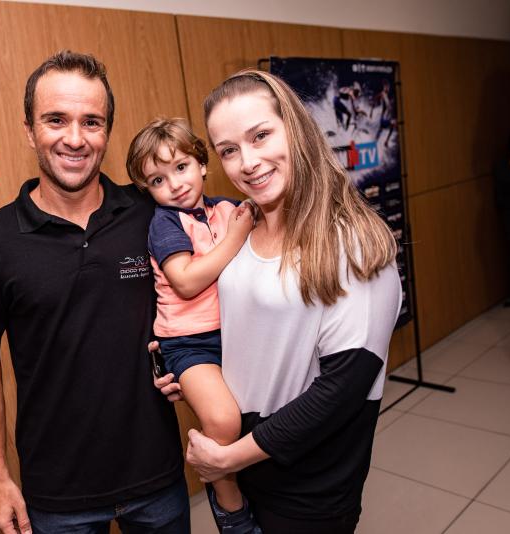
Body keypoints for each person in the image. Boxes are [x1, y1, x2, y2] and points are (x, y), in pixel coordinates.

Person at [156, 69, 401, 533]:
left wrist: (229, 458)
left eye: (261, 136)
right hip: (242, 467)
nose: (247, 162)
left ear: (296, 128)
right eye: (229, 150)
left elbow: (342, 389)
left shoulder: (352, 243)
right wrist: (192, 372)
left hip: (307, 487)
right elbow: (253, 336)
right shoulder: (239, 229)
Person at [0, 51, 189, 534]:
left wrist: (190, 364)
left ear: (107, 131)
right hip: (58, 497)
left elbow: (202, 295)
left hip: (157, 477)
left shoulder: (149, 214)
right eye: (56, 120)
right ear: (29, 130)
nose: (75, 138)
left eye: (92, 122)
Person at [125, 117, 258, 533]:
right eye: (157, 180)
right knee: (223, 421)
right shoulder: (166, 223)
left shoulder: (227, 210)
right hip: (189, 342)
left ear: (202, 163)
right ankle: (231, 509)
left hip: (237, 335)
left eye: (181, 167)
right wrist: (236, 237)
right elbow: (184, 281)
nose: (174, 184)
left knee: (260, 420)